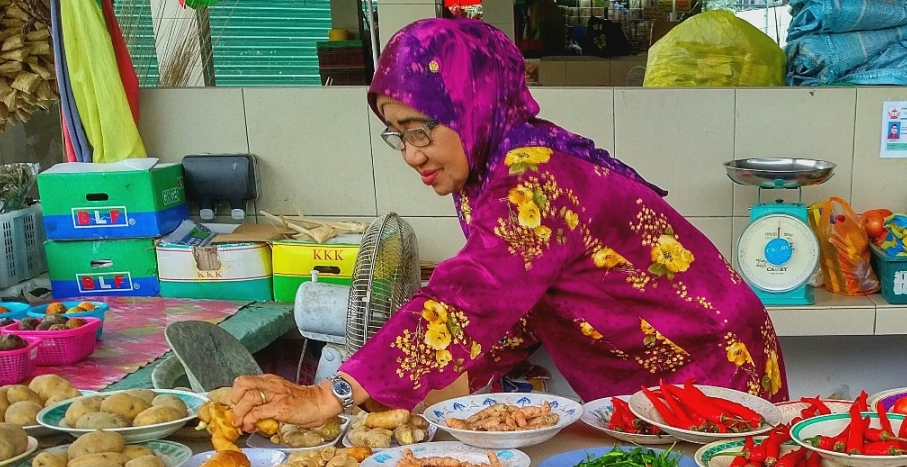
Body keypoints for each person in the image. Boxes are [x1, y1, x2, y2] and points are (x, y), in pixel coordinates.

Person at [232, 19, 786, 431]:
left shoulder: (535, 178)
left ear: (470, 106)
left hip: (705, 360)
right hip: (649, 362)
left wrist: (336, 395)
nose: (410, 155)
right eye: (397, 134)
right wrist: (428, 391)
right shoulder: (491, 169)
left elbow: (470, 297)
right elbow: (517, 298)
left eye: (420, 130)